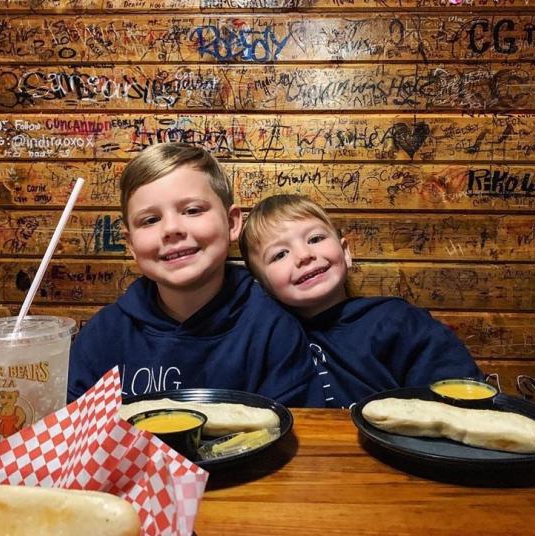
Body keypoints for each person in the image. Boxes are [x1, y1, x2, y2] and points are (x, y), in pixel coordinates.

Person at [67, 144, 323, 407]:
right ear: (131, 244)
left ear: (232, 223)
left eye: (192, 210)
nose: (171, 228)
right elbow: (75, 432)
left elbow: (294, 432)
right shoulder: (102, 336)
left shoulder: (272, 330)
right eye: (150, 220)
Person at [239, 194, 481, 408]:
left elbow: (461, 398)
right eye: (280, 254)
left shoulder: (399, 321)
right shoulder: (272, 341)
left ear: (345, 253)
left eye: (315, 239)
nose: (304, 255)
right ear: (263, 286)